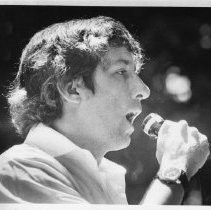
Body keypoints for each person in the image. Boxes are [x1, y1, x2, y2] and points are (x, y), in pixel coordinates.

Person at [0, 16, 209, 204]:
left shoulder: (106, 177)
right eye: (121, 71)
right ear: (72, 88)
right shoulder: (19, 170)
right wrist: (173, 170)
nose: (144, 90)